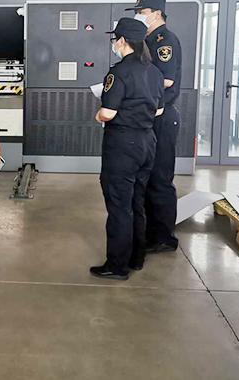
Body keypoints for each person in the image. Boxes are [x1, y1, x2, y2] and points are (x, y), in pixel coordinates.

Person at [90, 18, 165, 280]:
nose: (114, 43)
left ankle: (117, 266)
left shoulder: (119, 73)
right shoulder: (154, 72)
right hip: (147, 142)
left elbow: (108, 112)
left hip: (123, 144)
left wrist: (99, 115)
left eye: (115, 39)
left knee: (119, 206)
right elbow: (159, 110)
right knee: (137, 202)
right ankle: (136, 258)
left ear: (122, 41)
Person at [126, 0, 182, 253]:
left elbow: (166, 80)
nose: (138, 15)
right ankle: (150, 232)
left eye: (142, 11)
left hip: (163, 117)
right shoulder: (147, 40)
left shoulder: (164, 40)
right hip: (149, 115)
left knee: (160, 178)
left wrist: (134, 84)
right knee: (147, 177)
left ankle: (164, 238)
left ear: (157, 13)